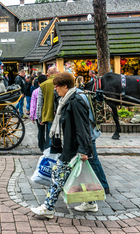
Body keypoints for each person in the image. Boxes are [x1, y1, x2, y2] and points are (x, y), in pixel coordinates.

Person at [31, 72, 93, 218]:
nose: (55, 88)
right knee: (76, 176)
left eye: (57, 86)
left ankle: (48, 207)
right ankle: (90, 202)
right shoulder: (65, 100)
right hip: (69, 146)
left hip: (72, 147)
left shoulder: (75, 101)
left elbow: (82, 128)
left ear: (66, 85)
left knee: (58, 176)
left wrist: (83, 150)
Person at [36, 66, 59, 138]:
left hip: (49, 114)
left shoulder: (43, 85)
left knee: (51, 136)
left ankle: (51, 148)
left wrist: (39, 118)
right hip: (62, 114)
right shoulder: (62, 83)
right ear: (57, 73)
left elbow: (40, 103)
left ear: (48, 74)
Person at [30, 74, 48, 152]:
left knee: (41, 132)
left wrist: (32, 115)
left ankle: (42, 147)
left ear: (38, 83)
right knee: (48, 131)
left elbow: (33, 104)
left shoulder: (35, 91)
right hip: (47, 113)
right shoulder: (49, 89)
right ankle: (47, 146)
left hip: (39, 114)